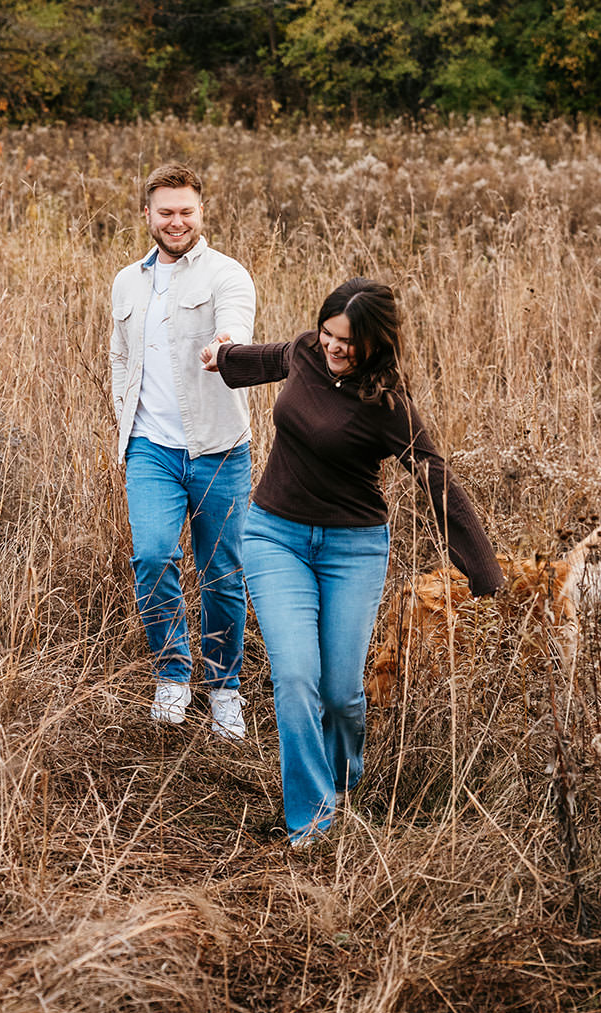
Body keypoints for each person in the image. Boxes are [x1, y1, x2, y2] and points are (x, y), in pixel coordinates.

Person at [201, 277, 503, 845]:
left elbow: (438, 483)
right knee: (294, 678)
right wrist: (221, 355)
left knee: (340, 694)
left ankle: (341, 783)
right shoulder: (306, 353)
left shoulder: (389, 406)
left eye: (349, 342)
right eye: (329, 334)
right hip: (274, 536)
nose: (335, 348)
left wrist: (485, 576)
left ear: (375, 346)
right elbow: (263, 358)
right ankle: (311, 823)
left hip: (352, 549)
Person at [111, 163, 256, 739]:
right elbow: (121, 355)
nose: (176, 221)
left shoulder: (227, 275)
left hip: (219, 448)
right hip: (150, 449)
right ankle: (172, 676)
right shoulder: (126, 281)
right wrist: (126, 420)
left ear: (202, 213)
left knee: (222, 573)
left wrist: (226, 347)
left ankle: (225, 689)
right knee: (151, 557)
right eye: (165, 212)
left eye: (186, 212)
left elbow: (235, 326)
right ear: (147, 215)